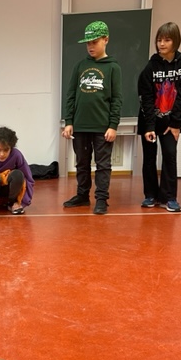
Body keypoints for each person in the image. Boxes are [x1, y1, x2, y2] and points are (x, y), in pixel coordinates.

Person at [62, 20, 122, 215]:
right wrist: (69, 122)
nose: (90, 46)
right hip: (80, 125)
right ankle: (82, 195)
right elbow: (71, 95)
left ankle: (102, 199)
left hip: (102, 126)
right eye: (88, 43)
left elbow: (117, 99)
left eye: (94, 42)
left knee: (103, 165)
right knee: (82, 163)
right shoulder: (80, 66)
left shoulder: (113, 67)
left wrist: (113, 125)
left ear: (106, 40)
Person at [137, 22, 181, 212]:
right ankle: (150, 195)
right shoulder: (151, 66)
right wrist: (150, 126)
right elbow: (145, 97)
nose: (162, 44)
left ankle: (169, 197)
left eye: (167, 40)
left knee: (170, 155)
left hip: (170, 122)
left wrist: (175, 123)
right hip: (149, 120)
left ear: (175, 41)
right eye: (159, 40)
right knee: (149, 158)